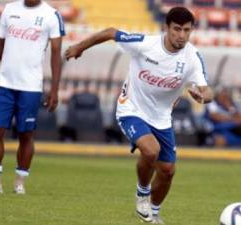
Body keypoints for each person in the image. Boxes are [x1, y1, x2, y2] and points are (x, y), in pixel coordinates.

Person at [65, 7, 213, 224]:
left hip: (161, 118)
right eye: (177, 29)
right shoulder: (145, 44)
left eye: (187, 30)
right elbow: (110, 32)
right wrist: (79, 47)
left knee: (168, 171)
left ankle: (154, 212)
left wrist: (202, 97)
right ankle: (142, 192)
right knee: (151, 151)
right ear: (167, 27)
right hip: (131, 109)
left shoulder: (192, 58)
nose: (182, 35)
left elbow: (207, 90)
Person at [0, 0, 65, 194]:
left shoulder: (52, 15)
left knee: (25, 134)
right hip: (4, 84)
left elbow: (56, 53)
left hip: (31, 87)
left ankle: (19, 182)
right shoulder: (9, 9)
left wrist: (55, 89)